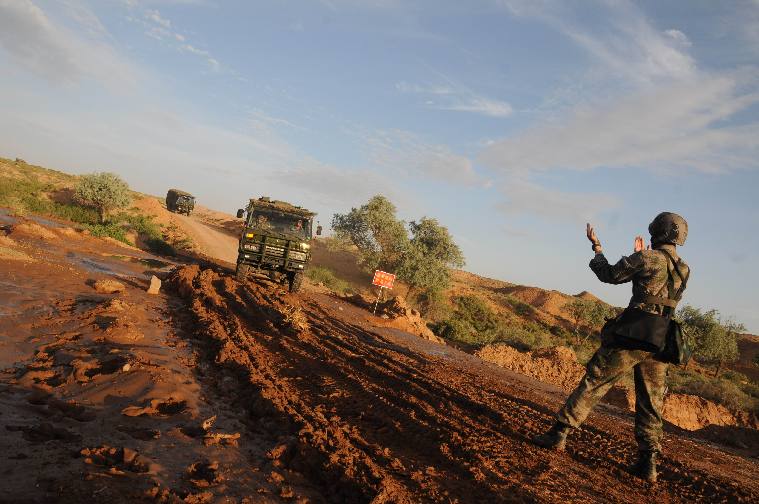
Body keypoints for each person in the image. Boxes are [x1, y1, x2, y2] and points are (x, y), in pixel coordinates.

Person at [532, 212, 690, 483]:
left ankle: (558, 434)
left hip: (633, 335)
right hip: (660, 341)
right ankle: (648, 463)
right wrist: (641, 257)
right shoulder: (684, 269)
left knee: (595, 381)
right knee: (651, 401)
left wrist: (597, 248)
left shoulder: (648, 258)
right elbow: (660, 291)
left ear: (657, 232)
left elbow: (609, 275)